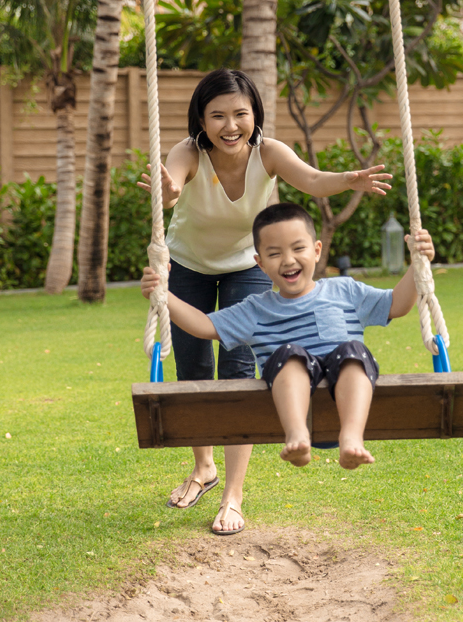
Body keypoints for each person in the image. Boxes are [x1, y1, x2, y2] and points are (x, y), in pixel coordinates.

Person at [137, 68, 393, 534]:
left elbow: (312, 180)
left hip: (247, 266)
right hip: (189, 265)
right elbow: (170, 188)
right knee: (193, 367)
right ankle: (204, 468)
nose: (230, 125)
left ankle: (234, 492)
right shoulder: (188, 152)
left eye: (240, 114)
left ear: (255, 115)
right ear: (201, 118)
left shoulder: (269, 153)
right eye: (218, 116)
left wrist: (349, 178)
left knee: (238, 369)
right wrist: (169, 193)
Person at [141, 202, 435, 484]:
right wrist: (164, 296)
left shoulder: (345, 291)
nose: (288, 260)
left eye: (298, 248)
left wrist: (416, 265)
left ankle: (352, 438)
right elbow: (204, 325)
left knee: (353, 353)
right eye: (274, 253)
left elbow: (396, 304)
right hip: (293, 404)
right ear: (260, 264)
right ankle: (297, 435)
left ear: (317, 250)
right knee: (289, 356)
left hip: (345, 399)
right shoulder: (256, 309)